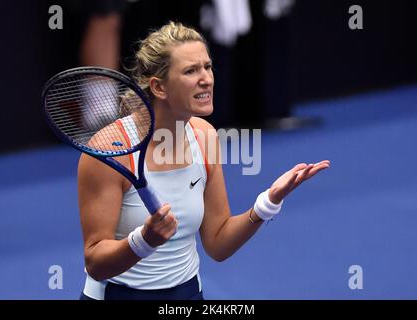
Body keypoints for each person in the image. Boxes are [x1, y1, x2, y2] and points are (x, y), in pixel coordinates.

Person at [78, 21, 330, 300]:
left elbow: (218, 243)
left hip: (187, 295)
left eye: (207, 67)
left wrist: (267, 203)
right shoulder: (109, 151)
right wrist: (143, 241)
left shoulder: (204, 136)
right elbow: (96, 263)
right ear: (159, 87)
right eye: (190, 71)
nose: (206, 78)